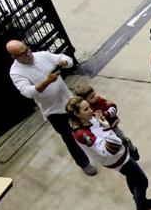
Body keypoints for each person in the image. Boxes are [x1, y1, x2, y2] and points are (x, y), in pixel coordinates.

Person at [65, 97, 151, 210]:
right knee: (142, 181)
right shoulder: (82, 134)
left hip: (119, 155)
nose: (91, 110)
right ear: (77, 114)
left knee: (132, 178)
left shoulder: (88, 120)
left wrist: (104, 122)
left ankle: (142, 201)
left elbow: (110, 110)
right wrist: (107, 128)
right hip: (116, 159)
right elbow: (109, 149)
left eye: (89, 106)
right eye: (86, 109)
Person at [7, 40, 95, 175]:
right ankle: (84, 163)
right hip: (53, 111)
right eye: (23, 54)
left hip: (69, 101)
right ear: (14, 57)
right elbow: (28, 92)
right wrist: (47, 81)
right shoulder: (16, 72)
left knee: (89, 124)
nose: (28, 54)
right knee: (69, 138)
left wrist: (64, 62)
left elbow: (68, 59)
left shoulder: (41, 55)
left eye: (27, 49)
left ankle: (99, 149)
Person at [72, 82, 135, 154]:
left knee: (122, 140)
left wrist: (105, 114)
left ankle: (131, 149)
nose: (96, 97)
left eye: (94, 94)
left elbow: (113, 107)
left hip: (112, 126)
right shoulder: (86, 111)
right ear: (85, 101)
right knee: (112, 146)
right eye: (92, 97)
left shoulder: (100, 101)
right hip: (102, 131)